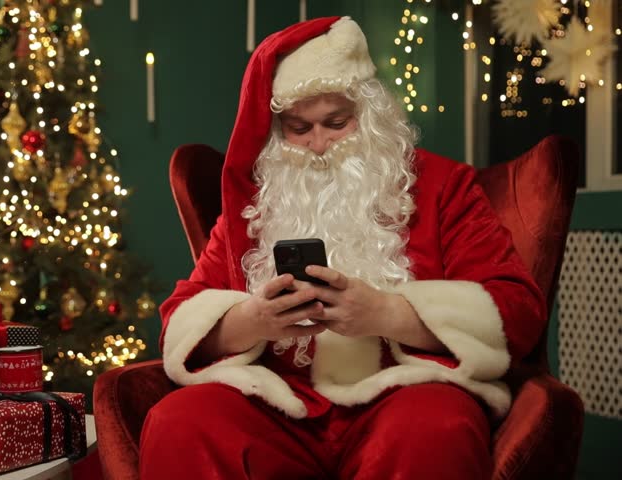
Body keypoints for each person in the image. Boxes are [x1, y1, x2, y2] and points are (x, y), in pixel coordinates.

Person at [140, 17, 545, 479]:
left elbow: (517, 310)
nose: (318, 144)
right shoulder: (255, 203)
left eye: (336, 122)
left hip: (402, 393)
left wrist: (386, 315)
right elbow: (181, 317)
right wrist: (254, 321)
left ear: (370, 114)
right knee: (180, 423)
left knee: (435, 427)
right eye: (298, 127)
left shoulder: (443, 187)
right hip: (277, 403)